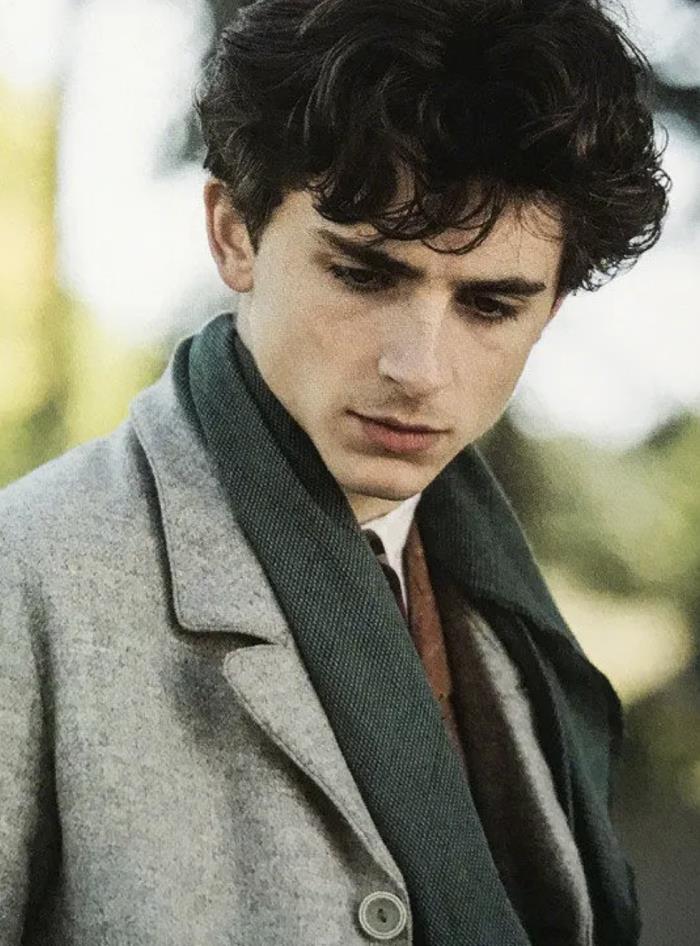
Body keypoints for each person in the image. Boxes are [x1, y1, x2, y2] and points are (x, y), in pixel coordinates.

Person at [0, 1, 669, 944]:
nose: (419, 369)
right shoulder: (27, 579)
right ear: (234, 232)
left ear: (551, 308)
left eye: (490, 306)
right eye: (364, 275)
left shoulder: (499, 601)